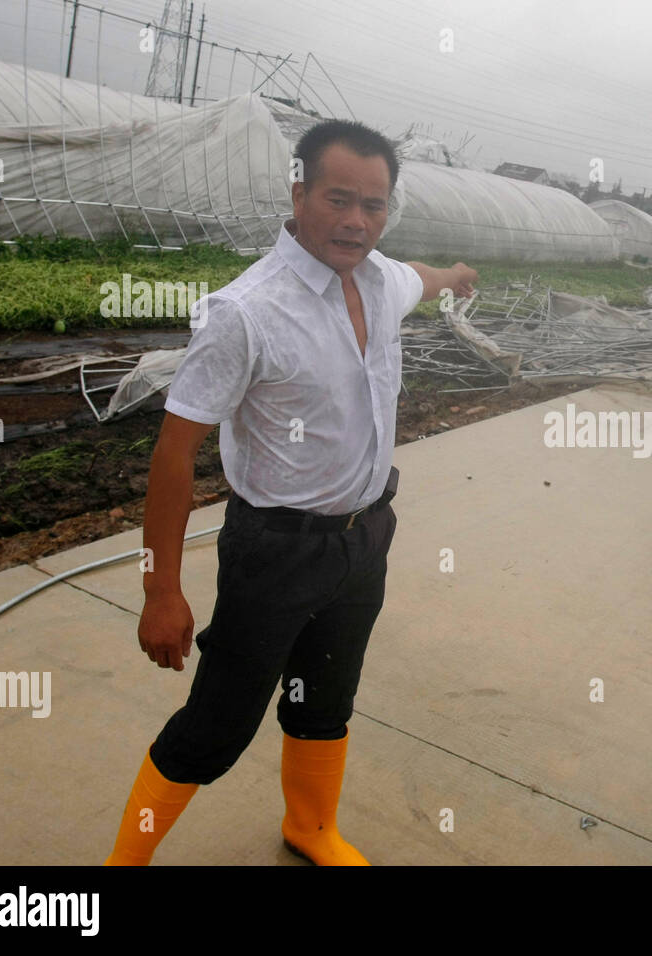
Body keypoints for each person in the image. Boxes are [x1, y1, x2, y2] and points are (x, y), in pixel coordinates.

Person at [104, 119, 477, 865]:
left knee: (327, 700)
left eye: (374, 206)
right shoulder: (245, 312)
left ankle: (310, 828)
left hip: (364, 538)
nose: (356, 221)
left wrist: (456, 274)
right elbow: (175, 456)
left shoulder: (382, 279)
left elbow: (424, 278)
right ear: (299, 191)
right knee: (215, 726)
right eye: (339, 199)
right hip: (274, 551)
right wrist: (160, 591)